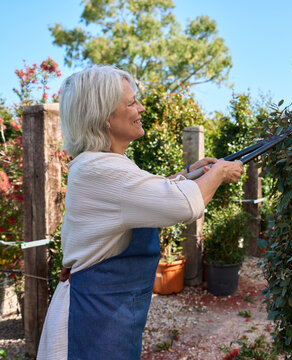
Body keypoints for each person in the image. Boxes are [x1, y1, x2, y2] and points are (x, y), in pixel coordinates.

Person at [36, 65, 244, 359]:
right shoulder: (101, 169)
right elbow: (183, 205)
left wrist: (189, 174)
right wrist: (219, 172)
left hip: (106, 316)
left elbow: (147, 191)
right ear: (105, 116)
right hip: (91, 322)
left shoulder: (101, 165)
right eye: (132, 102)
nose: (141, 108)